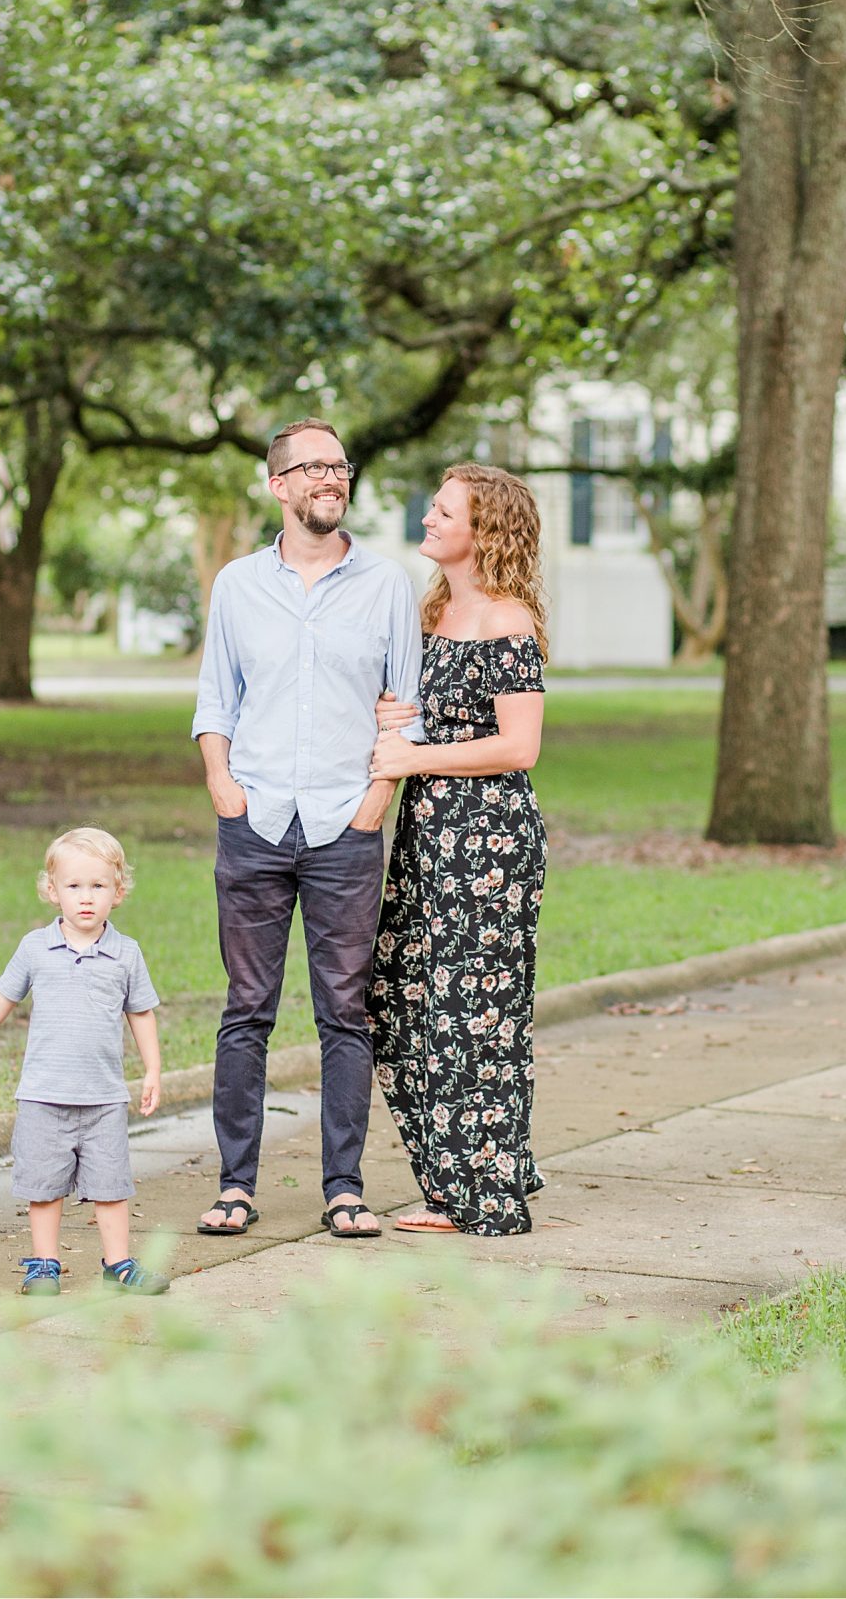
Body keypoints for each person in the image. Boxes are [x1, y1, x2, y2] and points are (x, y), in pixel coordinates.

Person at [192, 417, 424, 1241]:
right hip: (254, 821)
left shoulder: (388, 585)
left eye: (340, 465)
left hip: (345, 827)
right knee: (246, 1009)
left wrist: (373, 806)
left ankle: (344, 1187)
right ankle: (234, 1185)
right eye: (313, 467)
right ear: (278, 485)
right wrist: (224, 786)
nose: (331, 477)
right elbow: (216, 700)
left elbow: (409, 711)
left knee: (344, 1015)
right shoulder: (237, 585)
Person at [367, 464, 548, 1235]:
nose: (430, 518)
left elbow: (520, 745)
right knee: (404, 1002)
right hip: (429, 833)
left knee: (478, 1014)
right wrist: (396, 719)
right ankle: (459, 1176)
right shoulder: (435, 610)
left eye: (445, 511)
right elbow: (425, 715)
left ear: (486, 532)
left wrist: (414, 759)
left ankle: (487, 1196)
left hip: (489, 841)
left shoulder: (507, 620)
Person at [0, 825, 169, 1294]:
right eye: (73, 886)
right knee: (43, 1189)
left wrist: (152, 1070)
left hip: (104, 1098)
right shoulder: (35, 948)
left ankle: (119, 1265)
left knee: (110, 1189)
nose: (86, 898)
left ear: (118, 892)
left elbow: (141, 1014)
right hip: (44, 1097)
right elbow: (3, 996)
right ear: (52, 891)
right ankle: (44, 1265)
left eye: (98, 886)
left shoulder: (126, 954)